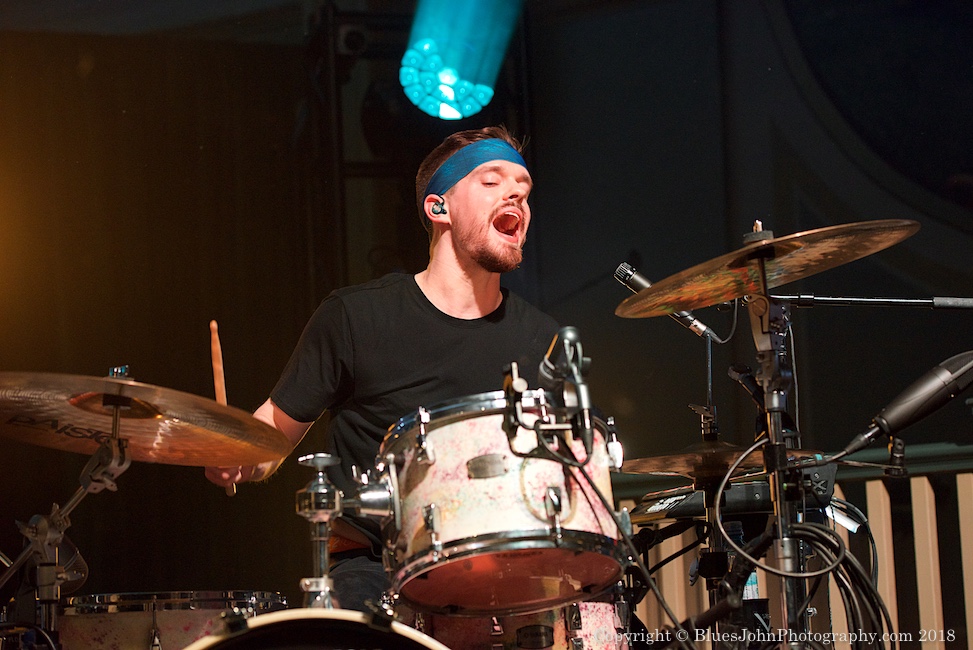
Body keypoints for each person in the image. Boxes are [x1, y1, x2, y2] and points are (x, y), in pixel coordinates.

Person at [206, 125, 559, 613]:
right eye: (492, 181)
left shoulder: (541, 338)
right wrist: (234, 455)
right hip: (379, 572)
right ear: (439, 209)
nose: (517, 194)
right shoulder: (355, 317)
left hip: (505, 569)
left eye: (524, 188)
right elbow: (271, 437)